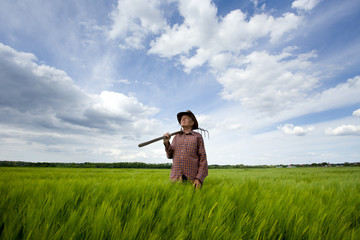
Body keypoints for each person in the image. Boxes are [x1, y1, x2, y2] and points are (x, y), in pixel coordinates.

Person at [163, 110, 208, 189]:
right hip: (176, 178)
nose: (182, 120)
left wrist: (199, 178)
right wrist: (166, 143)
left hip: (192, 179)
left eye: (186, 118)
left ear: (192, 123)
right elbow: (170, 155)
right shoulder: (176, 136)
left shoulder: (197, 137)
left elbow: (203, 159)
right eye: (181, 119)